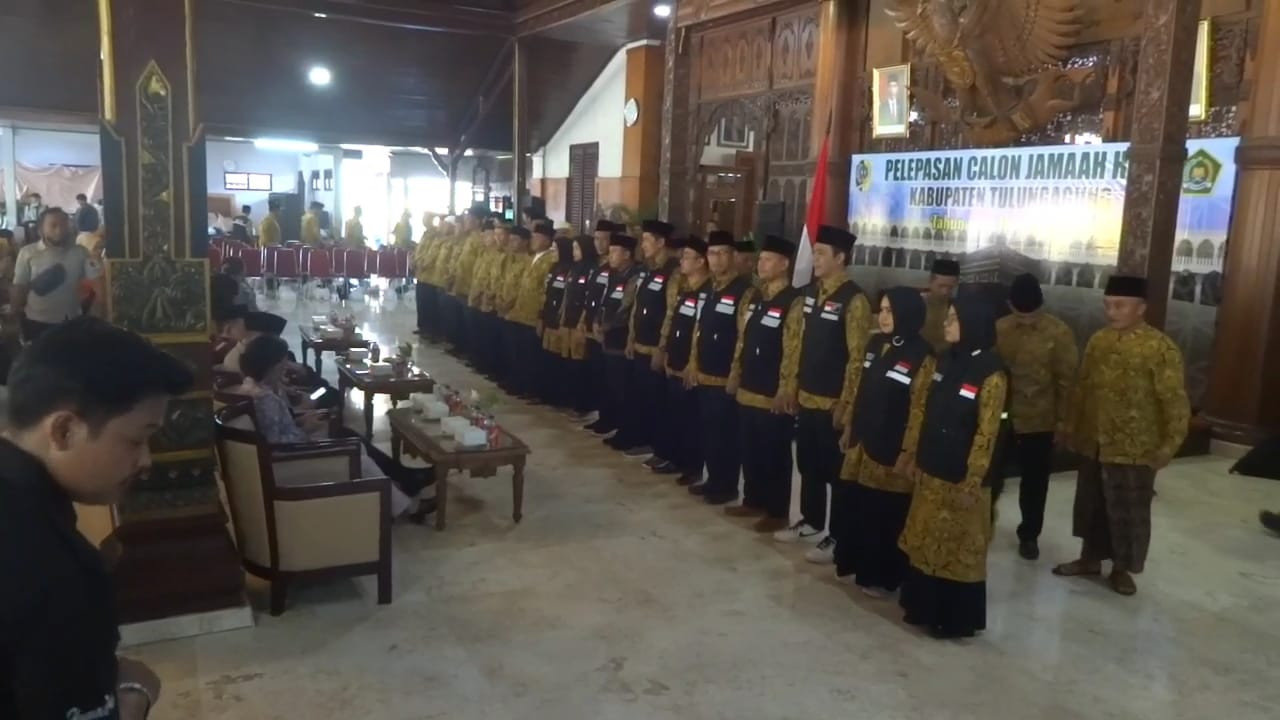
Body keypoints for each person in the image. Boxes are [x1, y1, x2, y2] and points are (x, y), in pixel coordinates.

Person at [2, 316, 190, 719]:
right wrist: (135, 694)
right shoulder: (54, 567)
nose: (146, 461)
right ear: (65, 430)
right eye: (136, 439)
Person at [1053, 275, 1190, 596]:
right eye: (1107, 305)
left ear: (1141, 308)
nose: (1111, 312)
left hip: (1135, 447)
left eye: (1120, 306)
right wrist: (1070, 426)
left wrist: (1169, 446)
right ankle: (1089, 559)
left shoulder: (1160, 348)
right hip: (1095, 441)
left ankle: (1121, 569)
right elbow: (1082, 388)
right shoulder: (1098, 341)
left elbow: (1174, 401)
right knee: (1092, 505)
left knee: (1128, 512)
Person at [898, 298, 1008, 639]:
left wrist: (974, 477)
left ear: (974, 322)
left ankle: (952, 618)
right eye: (946, 317)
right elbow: (921, 410)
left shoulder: (991, 371)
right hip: (933, 466)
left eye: (954, 319)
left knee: (957, 547)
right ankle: (922, 608)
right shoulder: (944, 360)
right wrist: (911, 452)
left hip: (964, 476)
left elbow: (988, 431)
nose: (946, 324)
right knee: (926, 539)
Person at [235, 335, 435, 519]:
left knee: (352, 439)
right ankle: (408, 507)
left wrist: (301, 422)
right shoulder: (265, 399)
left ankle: (400, 487)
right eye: (282, 361)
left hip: (293, 445)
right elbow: (274, 444)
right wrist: (305, 430)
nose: (286, 365)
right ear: (271, 365)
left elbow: (277, 428)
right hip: (291, 458)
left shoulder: (260, 388)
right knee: (358, 455)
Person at [780, 226, 870, 566]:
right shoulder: (810, 295)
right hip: (807, 396)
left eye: (821, 254)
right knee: (810, 464)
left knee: (837, 473)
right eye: (814, 252)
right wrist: (791, 385)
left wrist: (846, 405)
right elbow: (796, 344)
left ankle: (839, 534)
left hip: (834, 402)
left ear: (840, 258)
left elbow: (857, 357)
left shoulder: (854, 300)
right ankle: (812, 520)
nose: (814, 259)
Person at [835, 287, 932, 596]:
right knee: (860, 506)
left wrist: (909, 449)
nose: (884, 316)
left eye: (890, 311)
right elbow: (859, 388)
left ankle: (886, 576)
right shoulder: (876, 343)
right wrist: (849, 423)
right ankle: (859, 566)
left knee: (886, 513)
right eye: (882, 310)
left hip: (892, 446)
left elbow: (919, 408)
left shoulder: (922, 355)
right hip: (864, 439)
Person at [995, 273, 1078, 560]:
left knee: (1034, 483)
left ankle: (1029, 535)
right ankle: (983, 525)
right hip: (1001, 418)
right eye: (1021, 315)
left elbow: (1067, 382)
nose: (1027, 321)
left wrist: (1063, 423)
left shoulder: (1059, 333)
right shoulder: (999, 329)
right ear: (1009, 305)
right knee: (991, 476)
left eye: (1032, 315)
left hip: (1040, 421)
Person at [726, 235, 804, 532]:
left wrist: (786, 388)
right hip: (749, 384)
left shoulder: (793, 301)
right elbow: (743, 339)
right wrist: (735, 371)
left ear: (784, 264)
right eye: (760, 259)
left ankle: (777, 510)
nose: (761, 264)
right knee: (751, 447)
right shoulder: (755, 297)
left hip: (773, 389)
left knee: (775, 453)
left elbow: (793, 348)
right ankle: (753, 499)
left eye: (768, 260)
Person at [687, 230, 753, 504]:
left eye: (722, 253)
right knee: (708, 431)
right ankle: (713, 478)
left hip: (725, 375)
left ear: (734, 256)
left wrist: (735, 374)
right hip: (704, 371)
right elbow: (699, 329)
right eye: (712, 253)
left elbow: (743, 336)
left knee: (726, 434)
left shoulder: (745, 292)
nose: (716, 259)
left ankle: (726, 485)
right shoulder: (710, 288)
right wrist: (693, 362)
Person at [653, 236, 711, 483]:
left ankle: (692, 466)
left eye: (687, 257)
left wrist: (692, 362)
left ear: (700, 261)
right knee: (675, 415)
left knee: (691, 420)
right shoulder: (685, 289)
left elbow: (700, 331)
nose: (681, 261)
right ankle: (675, 458)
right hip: (674, 359)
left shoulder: (707, 292)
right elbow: (673, 320)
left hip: (690, 365)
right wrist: (665, 349)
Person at [620, 219, 679, 460]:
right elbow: (636, 307)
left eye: (646, 240)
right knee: (641, 397)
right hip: (639, 343)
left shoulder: (672, 272)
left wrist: (662, 347)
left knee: (657, 402)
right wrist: (631, 338)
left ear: (661, 242)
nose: (642, 245)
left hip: (655, 347)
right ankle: (642, 439)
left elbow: (671, 311)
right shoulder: (648, 270)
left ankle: (660, 447)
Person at [10, 208, 104, 343]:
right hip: (36, 323)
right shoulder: (27, 253)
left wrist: (96, 313)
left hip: (71, 322)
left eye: (64, 224)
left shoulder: (81, 253)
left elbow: (98, 284)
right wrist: (14, 313)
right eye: (53, 225)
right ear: (41, 230)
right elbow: (19, 286)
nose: (60, 230)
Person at [596, 234, 643, 448]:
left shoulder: (634, 275)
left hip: (622, 338)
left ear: (627, 255)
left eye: (615, 251)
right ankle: (612, 423)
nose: (610, 255)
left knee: (624, 390)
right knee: (610, 386)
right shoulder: (614, 274)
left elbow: (627, 306)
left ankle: (628, 433)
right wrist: (597, 320)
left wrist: (609, 324)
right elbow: (605, 300)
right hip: (608, 339)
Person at [509, 222, 557, 398]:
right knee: (520, 353)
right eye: (533, 237)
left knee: (532, 356)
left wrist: (541, 315)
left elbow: (545, 289)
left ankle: (533, 389)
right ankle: (520, 384)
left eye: (538, 238)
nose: (534, 241)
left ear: (547, 240)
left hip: (533, 314)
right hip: (520, 312)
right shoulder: (532, 258)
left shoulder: (551, 259)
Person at [580, 220, 617, 434]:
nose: (599, 243)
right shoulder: (595, 265)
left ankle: (609, 418)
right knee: (596, 374)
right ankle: (602, 416)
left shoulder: (612, 269)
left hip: (604, 329)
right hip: (591, 324)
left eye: (604, 239)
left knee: (607, 378)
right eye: (596, 238)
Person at [559, 234, 600, 419]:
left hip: (580, 323)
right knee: (569, 363)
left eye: (577, 248)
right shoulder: (574, 269)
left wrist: (582, 322)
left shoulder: (592, 269)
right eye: (573, 248)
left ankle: (583, 405)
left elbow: (588, 299)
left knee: (580, 365)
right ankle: (571, 401)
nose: (574, 252)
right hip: (568, 320)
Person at [538, 236, 574, 407]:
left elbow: (565, 299)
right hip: (549, 318)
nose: (553, 252)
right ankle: (548, 394)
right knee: (548, 360)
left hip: (559, 321)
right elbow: (547, 293)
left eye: (556, 249)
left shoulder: (569, 270)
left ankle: (560, 397)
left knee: (559, 363)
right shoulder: (553, 268)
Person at [921, 258, 959, 353]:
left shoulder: (957, 307)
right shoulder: (916, 303)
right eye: (941, 286)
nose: (945, 292)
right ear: (930, 281)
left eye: (950, 287)